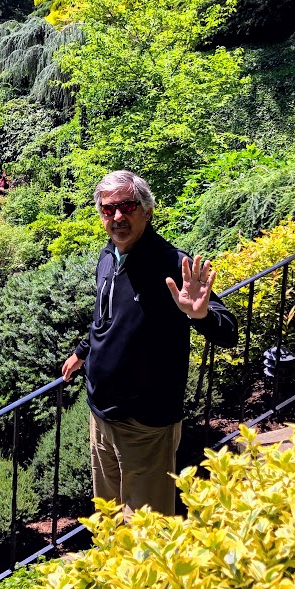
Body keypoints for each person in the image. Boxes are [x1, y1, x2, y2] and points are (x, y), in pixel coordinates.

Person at [61, 170, 237, 516]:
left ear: (147, 210)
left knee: (149, 530)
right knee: (107, 518)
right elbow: (106, 317)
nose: (117, 217)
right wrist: (83, 352)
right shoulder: (109, 255)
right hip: (100, 414)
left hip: (145, 423)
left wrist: (200, 315)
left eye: (127, 207)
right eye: (108, 209)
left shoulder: (172, 264)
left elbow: (228, 332)